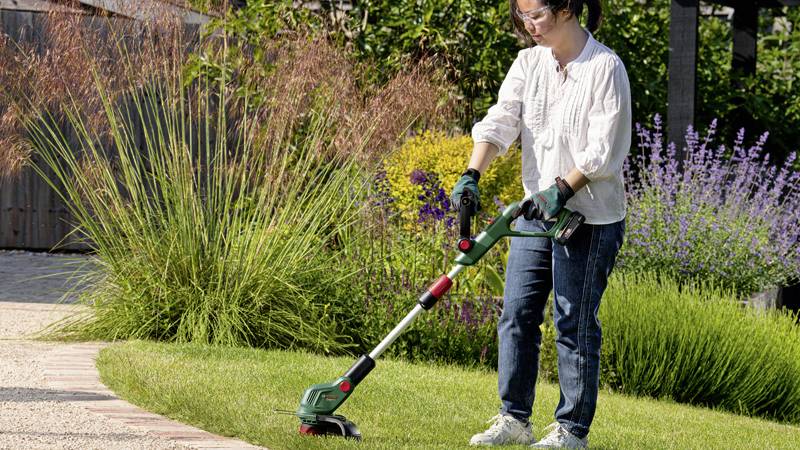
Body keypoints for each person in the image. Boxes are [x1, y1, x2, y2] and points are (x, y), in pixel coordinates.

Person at [450, 0, 631, 448]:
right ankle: (514, 418)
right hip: (535, 213)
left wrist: (562, 190)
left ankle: (572, 430)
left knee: (573, 320)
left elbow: (602, 149)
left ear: (567, 7)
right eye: (522, 15)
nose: (527, 24)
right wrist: (473, 173)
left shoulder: (605, 67)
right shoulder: (528, 63)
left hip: (588, 218)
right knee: (517, 314)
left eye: (536, 14)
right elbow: (502, 121)